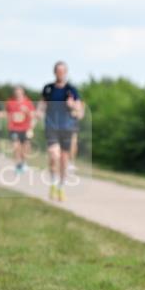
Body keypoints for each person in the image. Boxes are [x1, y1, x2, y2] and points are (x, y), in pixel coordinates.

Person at [39, 61, 83, 202]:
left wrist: (72, 106)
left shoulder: (71, 90)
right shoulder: (48, 89)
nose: (60, 73)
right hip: (51, 126)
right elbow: (42, 105)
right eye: (58, 71)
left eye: (63, 71)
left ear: (66, 72)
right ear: (54, 72)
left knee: (64, 159)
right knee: (54, 155)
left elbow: (80, 112)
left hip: (66, 127)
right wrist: (38, 112)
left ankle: (61, 187)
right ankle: (53, 182)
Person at [5, 86, 36, 173]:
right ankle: (18, 164)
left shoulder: (28, 102)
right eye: (16, 92)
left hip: (25, 128)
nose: (18, 94)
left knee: (25, 147)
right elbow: (8, 114)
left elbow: (33, 116)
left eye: (19, 92)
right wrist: (9, 124)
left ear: (23, 93)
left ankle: (24, 163)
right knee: (16, 146)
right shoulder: (10, 102)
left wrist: (27, 112)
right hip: (14, 128)